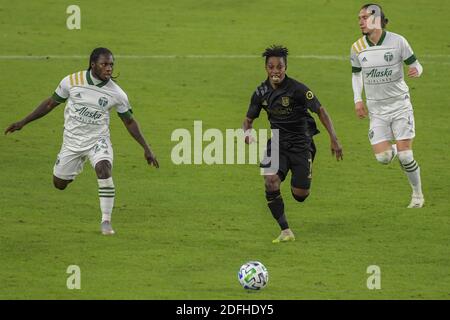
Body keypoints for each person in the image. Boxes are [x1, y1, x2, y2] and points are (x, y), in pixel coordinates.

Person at [4, 47, 159, 235]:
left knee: (104, 169)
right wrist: (23, 122)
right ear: (93, 64)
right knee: (59, 184)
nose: (109, 68)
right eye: (104, 64)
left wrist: (146, 148)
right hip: (72, 142)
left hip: (97, 141)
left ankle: (106, 222)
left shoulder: (117, 94)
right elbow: (50, 104)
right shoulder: (72, 81)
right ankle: (75, 166)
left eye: (111, 64)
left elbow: (129, 122)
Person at [243, 45, 343, 243]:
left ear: (285, 67)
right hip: (277, 143)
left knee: (300, 194)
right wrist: (246, 132)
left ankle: (298, 174)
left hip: (301, 143)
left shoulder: (298, 89)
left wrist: (334, 138)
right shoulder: (260, 93)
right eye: (271, 67)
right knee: (270, 180)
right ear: (266, 68)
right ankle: (285, 230)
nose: (275, 71)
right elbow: (248, 119)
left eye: (279, 66)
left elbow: (321, 111)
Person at [351, 4, 424, 208]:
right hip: (376, 111)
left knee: (406, 155)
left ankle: (417, 195)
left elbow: (416, 64)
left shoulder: (398, 41)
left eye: (364, 17)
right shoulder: (357, 47)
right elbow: (356, 75)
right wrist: (358, 100)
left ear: (376, 19)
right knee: (383, 158)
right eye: (359, 18)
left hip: (400, 106)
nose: (360, 21)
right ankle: (395, 148)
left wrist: (416, 71)